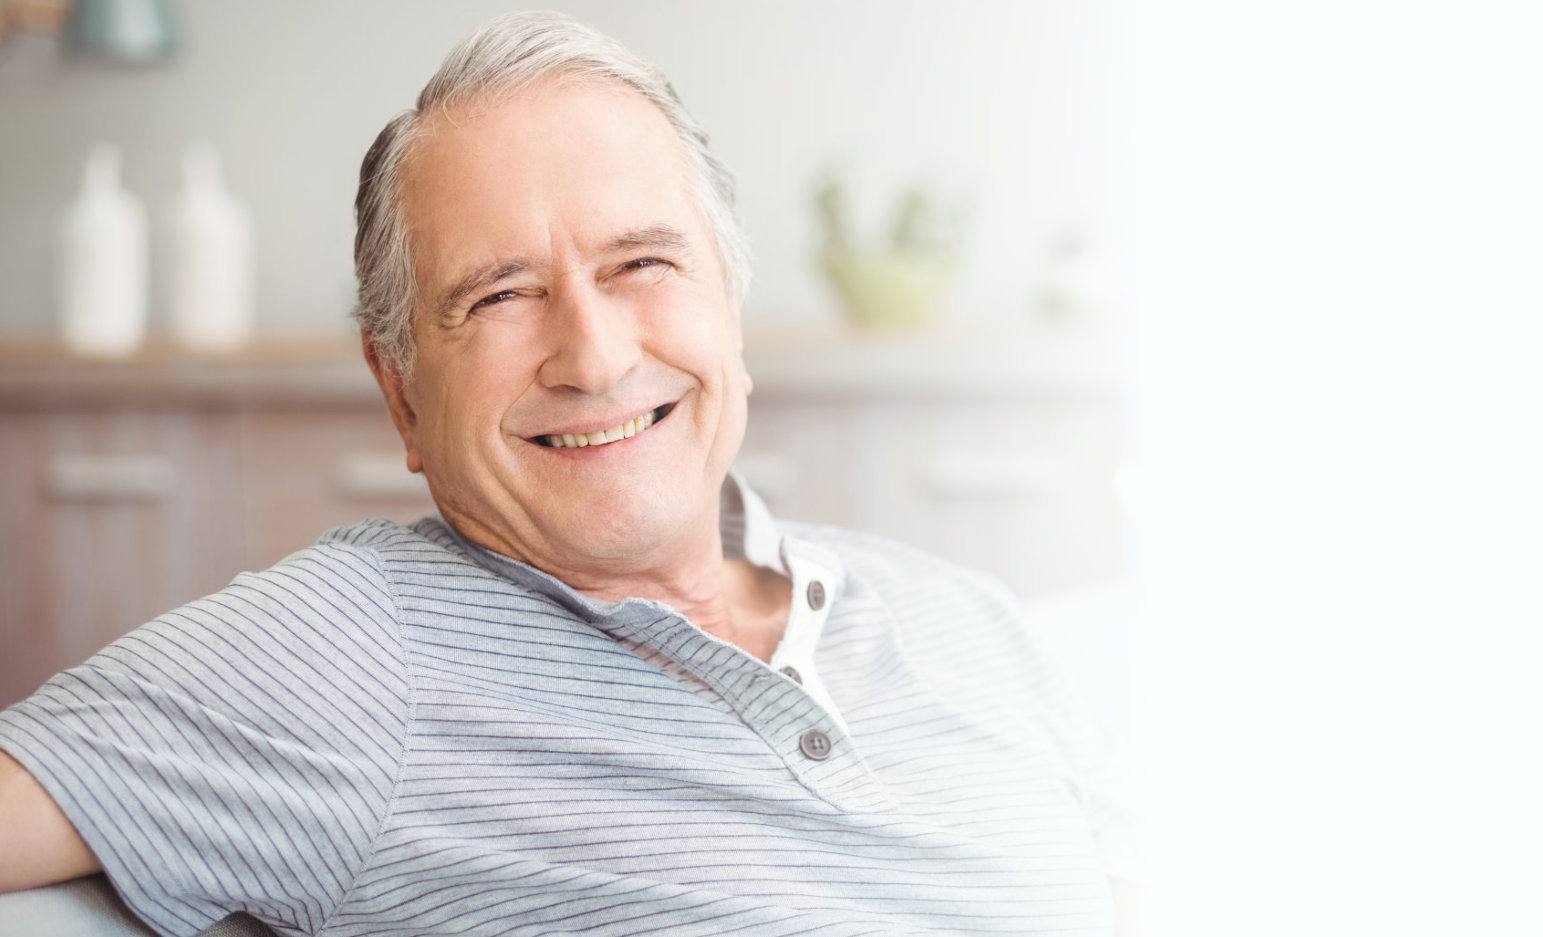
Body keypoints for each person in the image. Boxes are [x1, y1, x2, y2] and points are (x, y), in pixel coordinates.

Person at [0, 12, 1140, 937]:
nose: (594, 354)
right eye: (499, 295)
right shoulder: (353, 655)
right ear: (402, 393)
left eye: (642, 262)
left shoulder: (967, 619)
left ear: (728, 313)